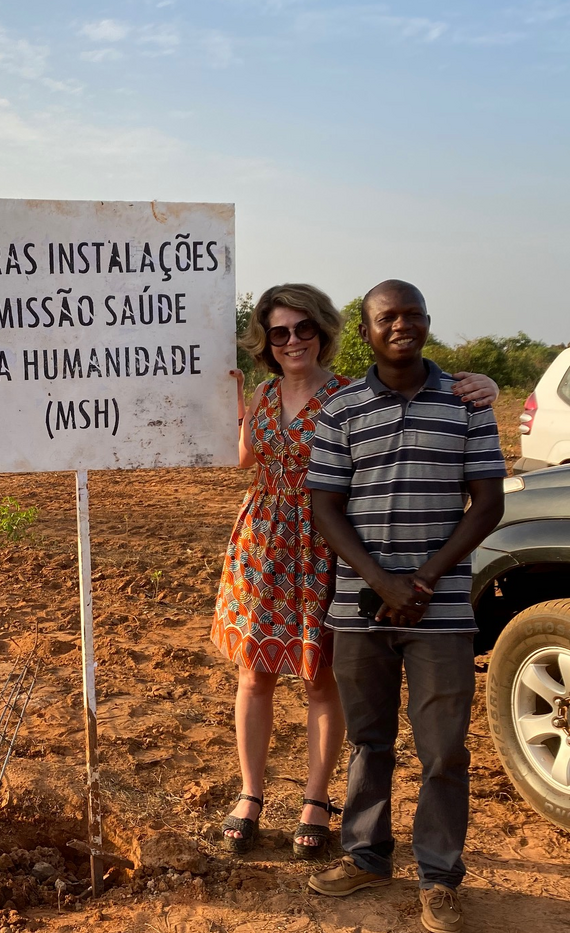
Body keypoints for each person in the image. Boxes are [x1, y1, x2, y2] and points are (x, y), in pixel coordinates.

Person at [211, 284, 498, 862]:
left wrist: (484, 385)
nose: (293, 341)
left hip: (330, 547)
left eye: (304, 329)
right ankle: (251, 794)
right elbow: (246, 456)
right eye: (279, 332)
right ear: (266, 342)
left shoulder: (349, 396)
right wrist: (235, 401)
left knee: (323, 679)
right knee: (253, 674)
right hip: (262, 544)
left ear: (323, 331)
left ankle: (316, 802)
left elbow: (418, 398)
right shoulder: (265, 395)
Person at [304, 280, 506, 933]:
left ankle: (439, 877)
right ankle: (366, 852)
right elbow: (324, 507)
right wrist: (381, 580)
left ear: (425, 323)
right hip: (361, 607)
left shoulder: (467, 403)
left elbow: (489, 501)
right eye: (387, 316)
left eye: (412, 314)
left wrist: (421, 578)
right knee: (369, 739)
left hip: (441, 610)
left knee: (444, 746)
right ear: (366, 331)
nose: (401, 325)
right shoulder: (340, 409)